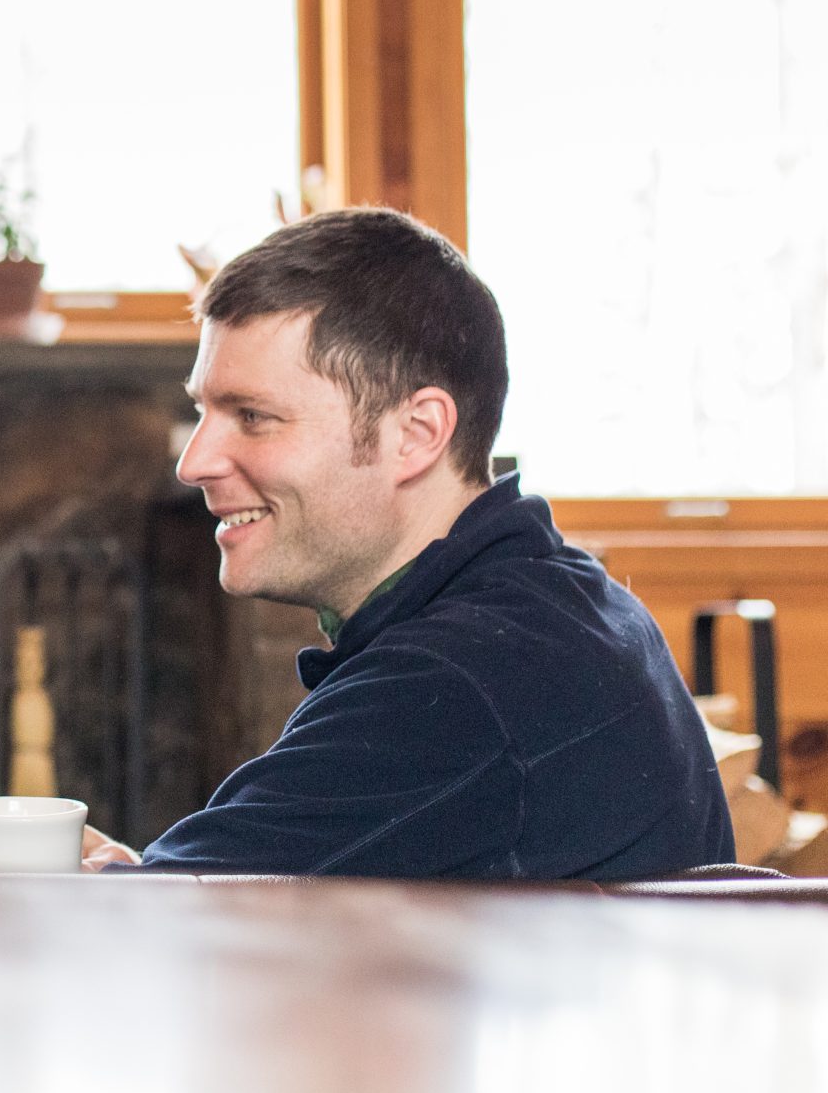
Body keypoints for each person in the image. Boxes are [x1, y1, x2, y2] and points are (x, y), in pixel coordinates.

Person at [81, 208, 735, 880]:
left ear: (417, 433)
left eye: (253, 416)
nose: (194, 462)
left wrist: (96, 883)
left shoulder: (455, 687)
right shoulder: (563, 600)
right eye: (202, 411)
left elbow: (156, 928)